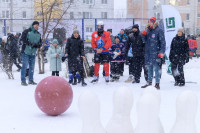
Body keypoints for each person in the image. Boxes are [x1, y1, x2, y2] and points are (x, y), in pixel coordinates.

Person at [141, 17, 166, 89]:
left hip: (156, 53)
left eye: (151, 22)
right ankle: (149, 82)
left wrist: (161, 51)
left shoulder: (159, 30)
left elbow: (163, 42)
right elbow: (144, 41)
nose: (149, 23)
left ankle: (157, 83)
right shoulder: (148, 31)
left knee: (156, 68)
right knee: (149, 68)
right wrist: (144, 35)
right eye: (149, 22)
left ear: (154, 23)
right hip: (148, 53)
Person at [20, 21, 42, 86]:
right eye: (35, 25)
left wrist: (38, 45)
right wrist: (30, 44)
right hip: (25, 52)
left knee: (32, 67)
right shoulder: (26, 31)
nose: (36, 26)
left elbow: (40, 42)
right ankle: (23, 81)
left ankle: (31, 80)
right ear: (32, 25)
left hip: (33, 53)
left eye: (37, 25)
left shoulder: (38, 34)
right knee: (24, 67)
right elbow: (22, 40)